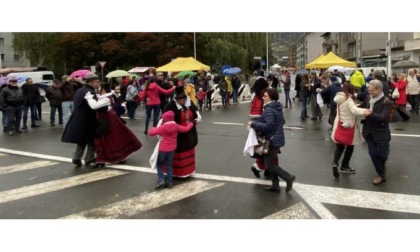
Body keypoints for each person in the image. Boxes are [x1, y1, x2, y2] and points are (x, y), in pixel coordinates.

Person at [248, 88, 295, 193]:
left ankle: (288, 177)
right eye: (263, 96)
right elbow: (282, 121)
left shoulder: (269, 109)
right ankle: (275, 185)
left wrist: (253, 124)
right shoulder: (276, 107)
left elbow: (268, 126)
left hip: (271, 141)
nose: (263, 98)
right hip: (276, 138)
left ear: (271, 97)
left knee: (270, 165)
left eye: (265, 96)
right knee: (270, 163)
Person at [61, 73, 105, 168]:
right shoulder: (90, 92)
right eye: (97, 82)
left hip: (78, 118)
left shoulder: (80, 90)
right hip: (88, 119)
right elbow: (95, 106)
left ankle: (76, 157)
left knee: (81, 140)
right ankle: (89, 159)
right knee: (92, 140)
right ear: (92, 82)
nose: (98, 84)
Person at [93, 82, 142, 166]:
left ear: (103, 89)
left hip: (108, 120)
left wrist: (88, 98)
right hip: (107, 119)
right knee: (110, 139)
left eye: (99, 87)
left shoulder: (106, 97)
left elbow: (94, 106)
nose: (98, 89)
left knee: (110, 139)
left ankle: (113, 156)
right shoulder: (104, 96)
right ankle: (103, 158)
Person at [331, 83, 372, 178]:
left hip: (340, 124)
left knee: (340, 145)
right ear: (351, 90)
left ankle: (335, 162)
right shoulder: (349, 99)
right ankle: (345, 166)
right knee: (350, 146)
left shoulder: (339, 97)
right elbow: (354, 110)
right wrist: (366, 111)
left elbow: (347, 108)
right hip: (350, 125)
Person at [148, 110, 194, 189]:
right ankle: (169, 182)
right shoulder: (176, 126)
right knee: (169, 165)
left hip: (163, 149)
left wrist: (154, 128)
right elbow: (185, 129)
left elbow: (151, 133)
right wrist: (191, 123)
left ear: (164, 119)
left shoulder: (162, 128)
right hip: (172, 149)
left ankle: (161, 179)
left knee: (159, 164)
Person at [162, 86, 201, 177]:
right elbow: (164, 118)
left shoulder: (189, 103)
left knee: (189, 149)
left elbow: (197, 113)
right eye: (180, 100)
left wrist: (196, 119)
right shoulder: (171, 105)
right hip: (177, 134)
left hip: (190, 133)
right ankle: (177, 173)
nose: (182, 101)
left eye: (183, 99)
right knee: (178, 152)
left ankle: (188, 171)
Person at [359, 80, 393, 185]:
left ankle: (381, 168)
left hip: (382, 132)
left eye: (372, 90)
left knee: (383, 156)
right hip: (368, 131)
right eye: (369, 90)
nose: (370, 92)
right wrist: (351, 106)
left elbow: (383, 117)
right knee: (373, 153)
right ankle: (381, 175)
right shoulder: (368, 97)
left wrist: (369, 113)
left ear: (379, 89)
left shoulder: (387, 102)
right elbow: (362, 106)